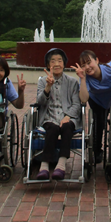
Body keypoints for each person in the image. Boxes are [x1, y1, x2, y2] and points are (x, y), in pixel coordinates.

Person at [36, 48, 81, 180]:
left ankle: (61, 165)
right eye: (53, 61)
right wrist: (47, 87)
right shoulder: (42, 81)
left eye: (59, 61)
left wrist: (68, 116)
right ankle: (44, 166)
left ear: (64, 63)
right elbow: (40, 102)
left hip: (68, 117)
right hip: (49, 117)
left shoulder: (72, 82)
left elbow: (77, 104)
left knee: (67, 127)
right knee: (53, 128)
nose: (56, 64)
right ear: (48, 65)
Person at [74, 48, 111, 165]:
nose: (87, 67)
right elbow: (84, 99)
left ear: (97, 60)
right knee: (98, 122)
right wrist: (82, 79)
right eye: (83, 65)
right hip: (95, 100)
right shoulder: (85, 77)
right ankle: (97, 151)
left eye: (89, 62)